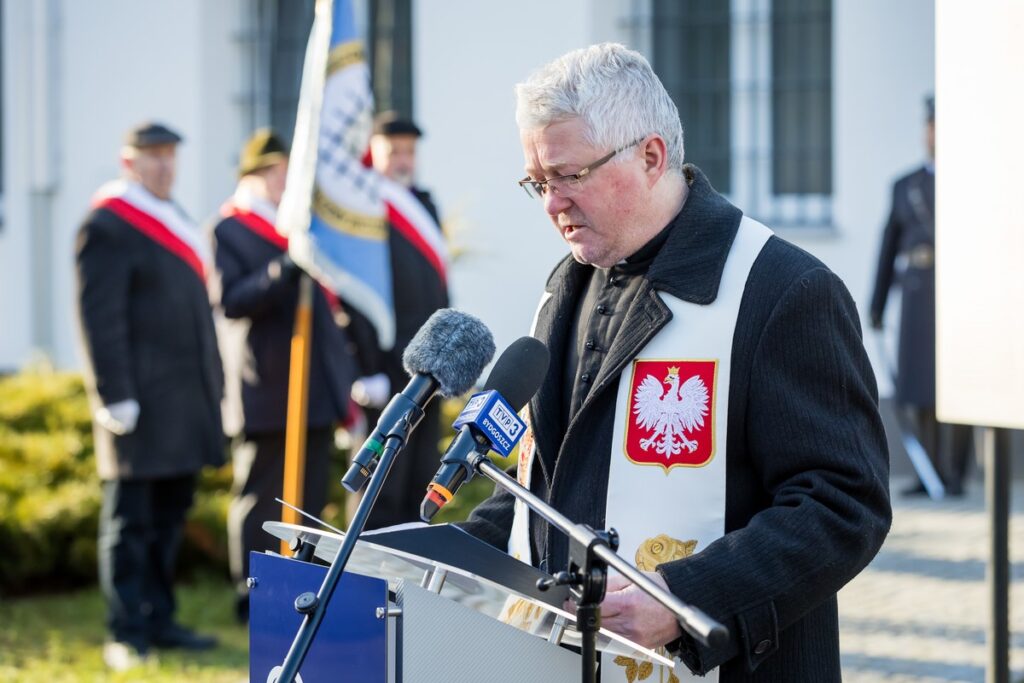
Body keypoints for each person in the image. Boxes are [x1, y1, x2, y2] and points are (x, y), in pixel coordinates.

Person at [459, 44, 891, 682]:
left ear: (651, 156)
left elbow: (843, 504)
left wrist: (686, 600)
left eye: (568, 176)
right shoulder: (565, 287)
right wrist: (437, 557)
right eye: (538, 184)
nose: (551, 204)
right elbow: (549, 485)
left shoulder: (781, 291)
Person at [75, 122, 223, 670]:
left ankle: (159, 619)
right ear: (128, 162)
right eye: (152, 157)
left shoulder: (173, 219)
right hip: (135, 404)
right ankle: (125, 630)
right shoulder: (108, 224)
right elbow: (98, 316)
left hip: (182, 402)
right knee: (130, 524)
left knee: (168, 518)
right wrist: (113, 394)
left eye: (170, 156)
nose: (164, 166)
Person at [210, 129, 357, 621]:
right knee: (260, 497)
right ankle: (251, 592)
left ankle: (299, 586)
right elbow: (232, 300)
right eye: (275, 173)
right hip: (266, 388)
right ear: (253, 176)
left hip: (310, 388)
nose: (283, 183)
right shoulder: (228, 229)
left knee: (309, 497)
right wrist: (283, 267)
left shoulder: (297, 230)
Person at [870, 96, 972, 497]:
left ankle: (954, 475)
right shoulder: (904, 186)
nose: (932, 133)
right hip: (915, 293)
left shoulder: (968, 182)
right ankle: (928, 474)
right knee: (919, 385)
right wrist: (877, 303)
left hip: (956, 294)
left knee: (955, 382)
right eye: (930, 125)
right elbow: (887, 247)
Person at [353, 112, 450, 529]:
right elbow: (356, 294)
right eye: (393, 150)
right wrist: (365, 368)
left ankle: (410, 588)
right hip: (387, 367)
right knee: (381, 486)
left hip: (430, 365)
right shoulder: (364, 207)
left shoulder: (425, 204)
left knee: (420, 479)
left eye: (409, 150)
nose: (403, 159)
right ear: (373, 152)